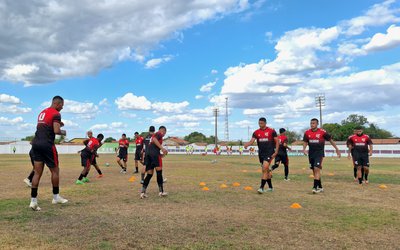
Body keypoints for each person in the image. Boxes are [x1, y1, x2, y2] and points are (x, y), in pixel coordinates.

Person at [29, 96, 68, 211]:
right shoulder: (56, 113)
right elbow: (56, 131)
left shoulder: (43, 112)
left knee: (37, 173)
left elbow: (45, 126)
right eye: (62, 105)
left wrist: (59, 124)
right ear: (57, 103)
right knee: (55, 171)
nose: (62, 107)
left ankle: (33, 201)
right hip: (47, 145)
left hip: (36, 144)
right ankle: (56, 197)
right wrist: (63, 131)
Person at [303, 118, 341, 194]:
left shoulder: (322, 132)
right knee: (314, 170)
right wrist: (304, 149)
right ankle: (320, 186)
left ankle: (315, 187)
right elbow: (305, 141)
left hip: (319, 153)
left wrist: (336, 148)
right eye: (311, 123)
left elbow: (330, 140)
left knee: (316, 168)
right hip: (311, 153)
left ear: (317, 124)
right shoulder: (307, 132)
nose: (312, 125)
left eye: (313, 123)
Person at [244, 117, 279, 194]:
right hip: (261, 154)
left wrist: (276, 151)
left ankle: (261, 187)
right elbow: (252, 141)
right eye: (259, 123)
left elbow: (277, 141)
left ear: (265, 123)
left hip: (269, 152)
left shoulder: (271, 131)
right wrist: (247, 144)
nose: (260, 125)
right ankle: (270, 187)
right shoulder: (256, 132)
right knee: (266, 170)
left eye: (261, 123)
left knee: (264, 168)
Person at [140, 126, 168, 198]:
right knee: (159, 172)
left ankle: (143, 192)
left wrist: (161, 154)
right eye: (165, 132)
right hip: (154, 155)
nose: (164, 134)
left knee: (149, 174)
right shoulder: (159, 133)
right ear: (163, 130)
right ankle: (161, 192)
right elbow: (154, 139)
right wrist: (162, 148)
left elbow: (154, 145)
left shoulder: (154, 137)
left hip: (148, 155)